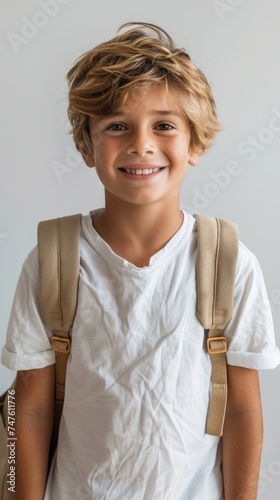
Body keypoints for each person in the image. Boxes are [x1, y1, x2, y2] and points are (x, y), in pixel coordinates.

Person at [1, 22, 279, 500]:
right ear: (87, 147)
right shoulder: (53, 259)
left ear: (194, 143)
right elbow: (27, 409)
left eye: (164, 125)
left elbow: (241, 410)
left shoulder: (227, 260)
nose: (141, 144)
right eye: (116, 126)